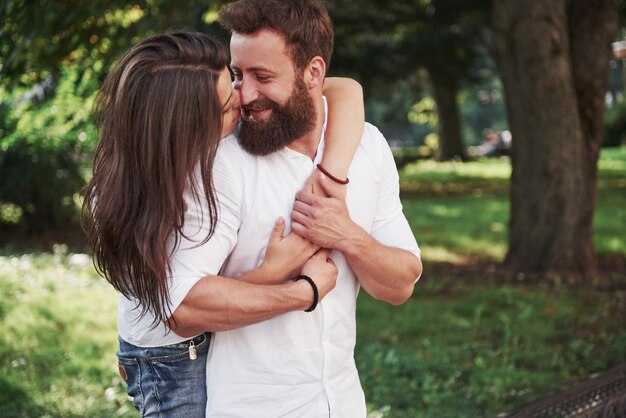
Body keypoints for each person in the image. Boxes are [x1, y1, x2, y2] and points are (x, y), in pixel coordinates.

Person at [82, 30, 365, 417]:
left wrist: (331, 173)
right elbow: (182, 312)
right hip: (171, 362)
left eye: (234, 81)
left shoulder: (164, 157)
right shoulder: (145, 197)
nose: (244, 99)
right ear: (185, 126)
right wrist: (295, 285)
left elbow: (345, 89)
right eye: (228, 104)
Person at [167, 1, 423, 416]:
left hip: (343, 402)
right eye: (237, 75)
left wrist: (347, 235)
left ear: (314, 73)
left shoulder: (367, 145)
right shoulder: (220, 164)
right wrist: (300, 292)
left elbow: (400, 284)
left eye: (262, 77)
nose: (244, 95)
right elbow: (183, 306)